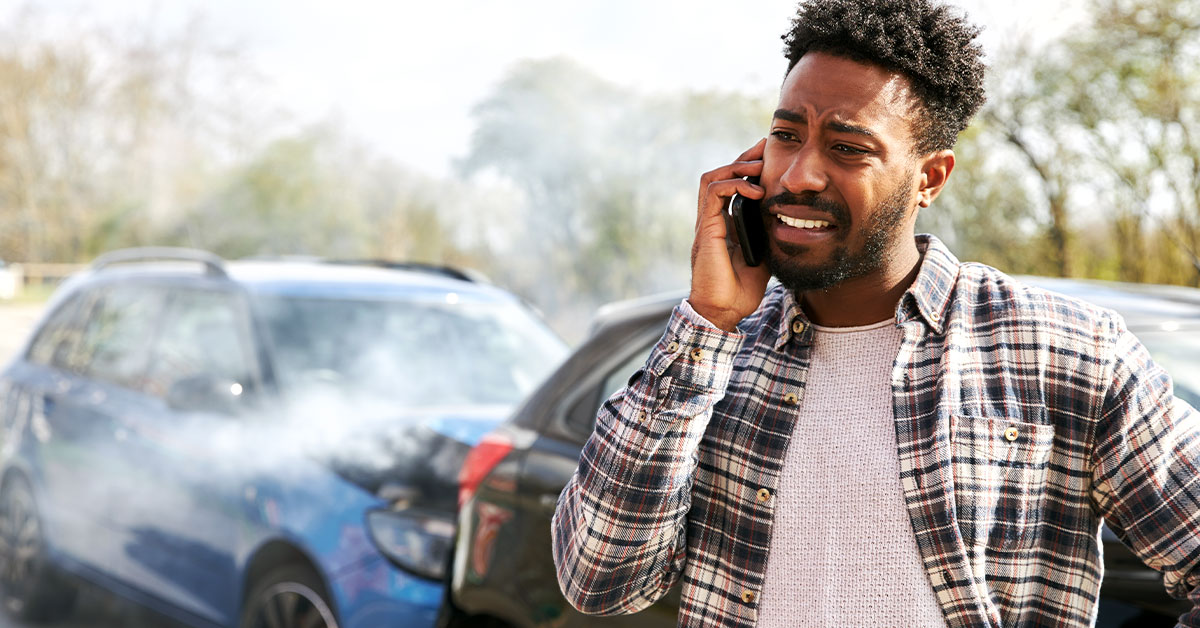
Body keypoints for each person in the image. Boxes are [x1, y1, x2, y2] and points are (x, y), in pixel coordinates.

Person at [550, 0, 1200, 626]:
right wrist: (707, 325)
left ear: (931, 178)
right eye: (785, 135)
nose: (799, 174)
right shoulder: (716, 350)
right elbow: (598, 580)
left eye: (848, 148)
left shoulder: (1066, 351)